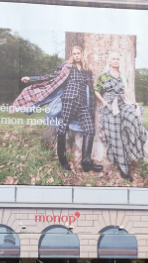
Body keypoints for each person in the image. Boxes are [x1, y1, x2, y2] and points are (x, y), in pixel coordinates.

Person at [14, 45, 103, 173]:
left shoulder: (87, 70)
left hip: (82, 104)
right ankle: (62, 160)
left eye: (78, 53)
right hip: (69, 100)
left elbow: (90, 89)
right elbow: (51, 77)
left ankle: (86, 162)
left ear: (82, 54)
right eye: (74, 54)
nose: (76, 55)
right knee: (62, 129)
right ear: (72, 55)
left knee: (89, 129)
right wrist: (31, 79)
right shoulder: (66, 67)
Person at [94, 52, 147, 181]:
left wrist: (132, 104)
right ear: (109, 61)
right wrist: (103, 102)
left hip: (122, 104)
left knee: (134, 118)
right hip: (109, 107)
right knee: (116, 136)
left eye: (118, 59)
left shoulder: (123, 76)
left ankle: (138, 149)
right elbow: (96, 90)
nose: (116, 60)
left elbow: (123, 93)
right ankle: (124, 169)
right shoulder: (104, 76)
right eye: (114, 59)